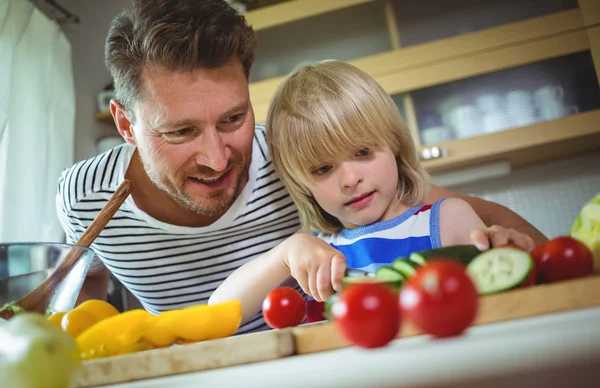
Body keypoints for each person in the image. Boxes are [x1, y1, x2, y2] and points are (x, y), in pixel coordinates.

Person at [56, 0, 546, 334]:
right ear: (125, 124)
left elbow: (474, 219)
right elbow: (84, 296)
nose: (216, 156)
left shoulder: (302, 159)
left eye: (233, 118)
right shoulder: (83, 200)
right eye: (180, 132)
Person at [209, 60, 535, 323]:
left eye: (363, 152)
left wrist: (510, 250)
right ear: (303, 186)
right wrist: (284, 255)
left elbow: (504, 294)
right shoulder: (318, 254)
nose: (349, 179)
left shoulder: (448, 218)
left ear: (394, 144)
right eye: (323, 169)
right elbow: (220, 309)